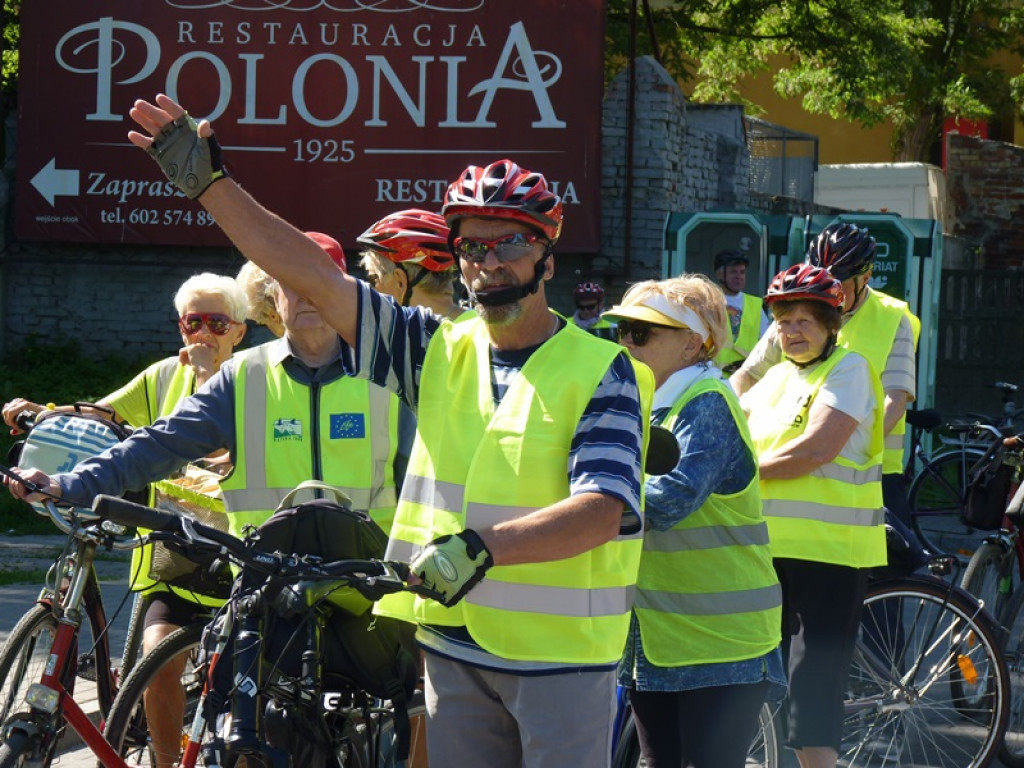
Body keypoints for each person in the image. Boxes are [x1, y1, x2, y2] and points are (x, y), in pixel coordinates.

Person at [120, 93, 653, 768]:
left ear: (548, 256)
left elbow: (603, 510)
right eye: (473, 247)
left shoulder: (601, 370)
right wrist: (213, 187)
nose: (490, 262)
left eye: (511, 243)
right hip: (453, 648)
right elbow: (311, 272)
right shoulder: (434, 351)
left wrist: (480, 547)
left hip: (560, 659)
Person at [7, 235, 409, 767]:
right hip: (268, 595)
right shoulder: (243, 377)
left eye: (324, 284)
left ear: (350, 294)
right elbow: (155, 445)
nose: (309, 297)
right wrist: (70, 481)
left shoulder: (394, 375)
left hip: (367, 592)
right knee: (247, 743)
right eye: (294, 285)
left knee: (414, 717)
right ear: (272, 299)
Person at [3, 271, 248, 768]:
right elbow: (103, 415)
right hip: (172, 552)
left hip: (239, 555)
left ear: (240, 329)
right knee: (156, 662)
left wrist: (206, 377)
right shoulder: (163, 374)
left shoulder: (256, 376)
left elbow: (227, 442)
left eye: (216, 323)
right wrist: (45, 414)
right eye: (191, 322)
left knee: (241, 688)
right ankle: (162, 762)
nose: (201, 334)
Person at [605, 275, 785, 768]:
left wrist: (586, 507)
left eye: (642, 333)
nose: (625, 342)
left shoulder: (706, 402)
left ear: (691, 344)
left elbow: (668, 500)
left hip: (720, 641)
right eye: (621, 330)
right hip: (657, 636)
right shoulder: (644, 403)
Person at [741, 263, 887, 768]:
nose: (792, 331)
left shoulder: (849, 369)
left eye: (805, 321)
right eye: (783, 322)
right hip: (765, 552)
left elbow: (817, 449)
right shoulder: (776, 378)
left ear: (832, 326)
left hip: (829, 557)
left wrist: (738, 474)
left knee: (811, 699)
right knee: (758, 687)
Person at [731, 223, 920, 532]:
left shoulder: (893, 318)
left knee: (891, 568)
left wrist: (841, 445)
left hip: (868, 470)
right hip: (788, 461)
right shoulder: (797, 314)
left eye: (840, 284)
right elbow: (747, 377)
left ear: (866, 278)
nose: (829, 290)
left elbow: (895, 400)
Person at [357, 208, 467, 319]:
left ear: (400, 282)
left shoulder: (406, 334)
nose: (371, 290)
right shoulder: (477, 328)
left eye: (373, 279)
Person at [712, 249, 770, 375]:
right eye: (733, 272)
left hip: (746, 378)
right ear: (719, 275)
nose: (739, 276)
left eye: (742, 272)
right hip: (714, 378)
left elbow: (767, 341)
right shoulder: (708, 303)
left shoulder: (755, 304)